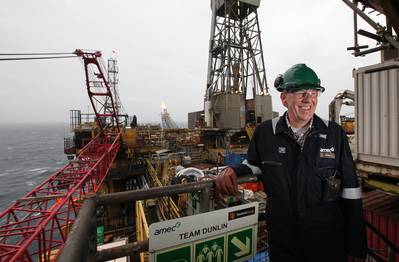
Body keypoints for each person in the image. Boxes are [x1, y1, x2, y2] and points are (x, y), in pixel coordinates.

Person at [215, 64, 367, 262]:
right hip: (284, 241)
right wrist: (232, 170)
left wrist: (356, 246)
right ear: (284, 98)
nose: (308, 99)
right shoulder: (266, 133)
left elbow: (351, 190)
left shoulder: (333, 133)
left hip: (327, 239)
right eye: (299, 92)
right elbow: (253, 166)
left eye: (313, 92)